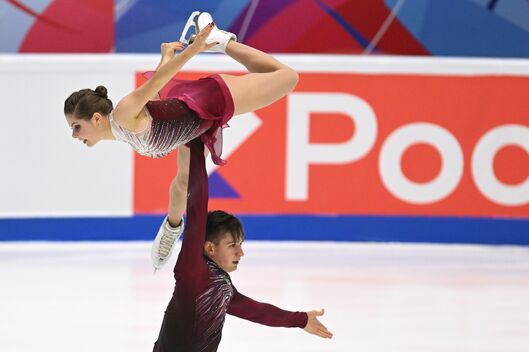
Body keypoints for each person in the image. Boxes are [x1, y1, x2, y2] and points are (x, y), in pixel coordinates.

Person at [63, 12, 299, 270]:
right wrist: (166, 56)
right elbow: (155, 86)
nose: (75, 135)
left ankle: (222, 42)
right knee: (184, 180)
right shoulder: (122, 129)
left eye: (77, 126)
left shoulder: (122, 114)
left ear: (96, 118)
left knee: (287, 77)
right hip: (185, 120)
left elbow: (158, 80)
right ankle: (171, 229)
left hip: (207, 100)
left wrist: (196, 49)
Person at [152, 136, 332, 352]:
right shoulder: (192, 270)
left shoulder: (222, 285)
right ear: (210, 247)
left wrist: (300, 319)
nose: (241, 252)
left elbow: (257, 311)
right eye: (232, 245)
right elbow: (197, 202)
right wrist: (199, 144)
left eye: (240, 244)